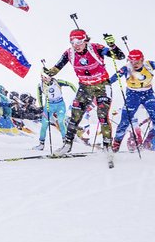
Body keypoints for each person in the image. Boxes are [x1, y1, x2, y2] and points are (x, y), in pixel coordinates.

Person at [44, 29, 125, 162]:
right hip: (85, 87)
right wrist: (48, 73)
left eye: (79, 41)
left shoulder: (96, 48)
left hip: (102, 86)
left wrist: (112, 46)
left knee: (102, 116)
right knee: (75, 115)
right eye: (73, 42)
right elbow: (57, 68)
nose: (76, 45)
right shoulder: (69, 53)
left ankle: (107, 147)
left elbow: (120, 57)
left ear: (85, 40)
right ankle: (67, 145)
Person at [108, 49, 155, 153]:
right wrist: (104, 83)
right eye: (132, 62)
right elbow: (113, 78)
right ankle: (116, 143)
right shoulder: (127, 68)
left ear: (142, 59)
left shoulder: (149, 64)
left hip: (148, 94)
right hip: (132, 95)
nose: (134, 64)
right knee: (125, 120)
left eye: (137, 62)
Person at [35, 73, 75, 151]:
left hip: (60, 105)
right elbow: (39, 96)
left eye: (47, 77)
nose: (45, 79)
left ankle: (66, 143)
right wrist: (40, 106)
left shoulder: (58, 82)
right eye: (43, 77)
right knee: (44, 124)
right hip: (49, 106)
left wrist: (77, 95)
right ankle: (41, 144)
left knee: (61, 122)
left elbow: (71, 85)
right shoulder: (40, 85)